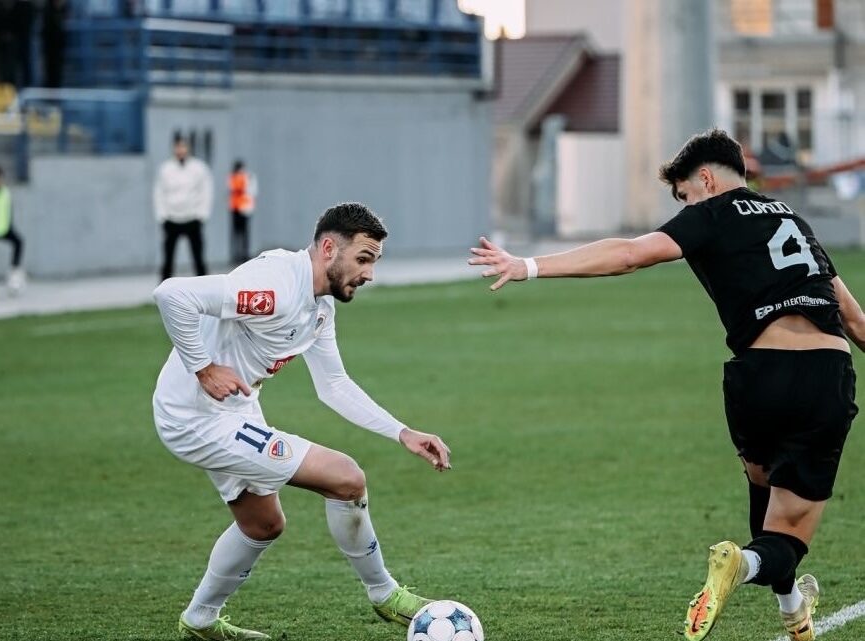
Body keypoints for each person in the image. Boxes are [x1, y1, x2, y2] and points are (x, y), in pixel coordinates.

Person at [468, 128, 862, 641]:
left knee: (767, 498)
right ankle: (744, 565)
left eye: (684, 195)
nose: (686, 206)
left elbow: (631, 253)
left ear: (706, 179)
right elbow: (855, 320)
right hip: (822, 373)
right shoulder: (796, 221)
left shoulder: (711, 213)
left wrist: (529, 265)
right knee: (787, 531)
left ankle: (794, 614)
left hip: (755, 377)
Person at [153, 202, 451, 641]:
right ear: (329, 248)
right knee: (347, 478)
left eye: (374, 262)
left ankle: (199, 620)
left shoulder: (320, 307)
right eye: (363, 259)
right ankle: (384, 593)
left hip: (234, 409)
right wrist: (203, 368)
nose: (369, 274)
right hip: (195, 416)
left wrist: (401, 431)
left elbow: (334, 385)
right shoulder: (275, 286)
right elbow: (172, 294)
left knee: (263, 524)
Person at [154, 136, 213, 281]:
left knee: (198, 257)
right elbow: (159, 193)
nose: (180, 150)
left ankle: (205, 287)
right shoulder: (166, 169)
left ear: (188, 148)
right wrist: (162, 215)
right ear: (174, 149)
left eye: (183, 146)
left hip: (192, 217)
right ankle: (164, 288)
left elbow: (206, 191)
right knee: (168, 258)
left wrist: (202, 214)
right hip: (172, 218)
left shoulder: (199, 168)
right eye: (178, 147)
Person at [228, 159, 257, 265]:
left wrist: (249, 206)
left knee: (244, 234)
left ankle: (244, 254)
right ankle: (236, 254)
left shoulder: (248, 176)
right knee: (237, 233)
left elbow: (251, 191)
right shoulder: (234, 176)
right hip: (235, 208)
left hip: (244, 208)